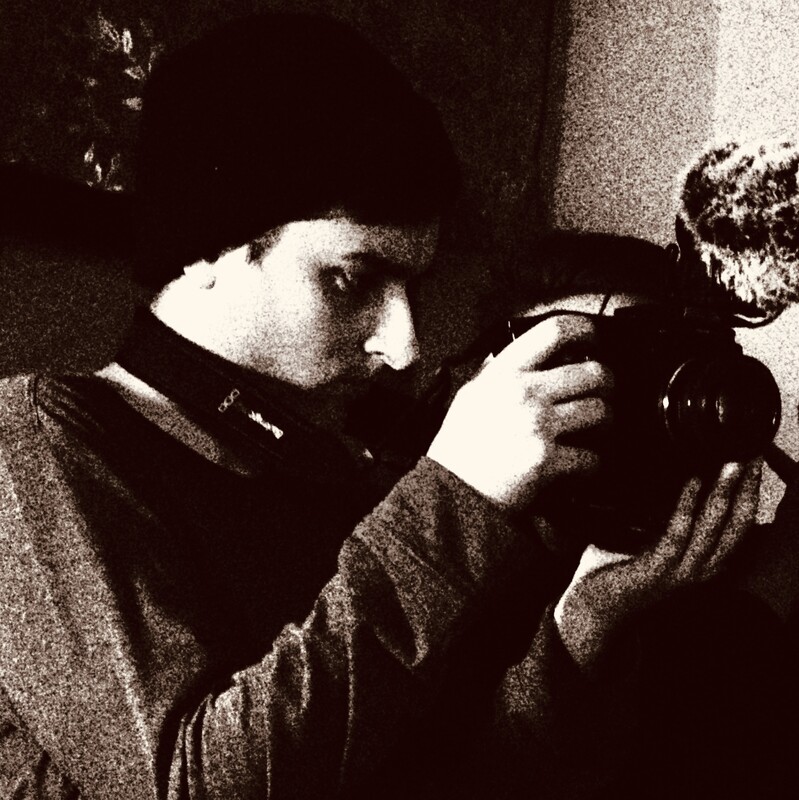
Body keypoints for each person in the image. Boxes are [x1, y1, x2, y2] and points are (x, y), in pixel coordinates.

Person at [0, 14, 760, 800]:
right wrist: (454, 494)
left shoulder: (338, 476)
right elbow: (188, 787)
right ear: (206, 248)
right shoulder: (36, 438)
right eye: (352, 279)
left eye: (413, 288)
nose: (404, 346)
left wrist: (586, 624)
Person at [495, 228, 795, 798]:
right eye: (582, 375)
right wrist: (588, 622)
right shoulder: (459, 589)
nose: (619, 406)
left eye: (648, 369)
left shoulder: (744, 557)